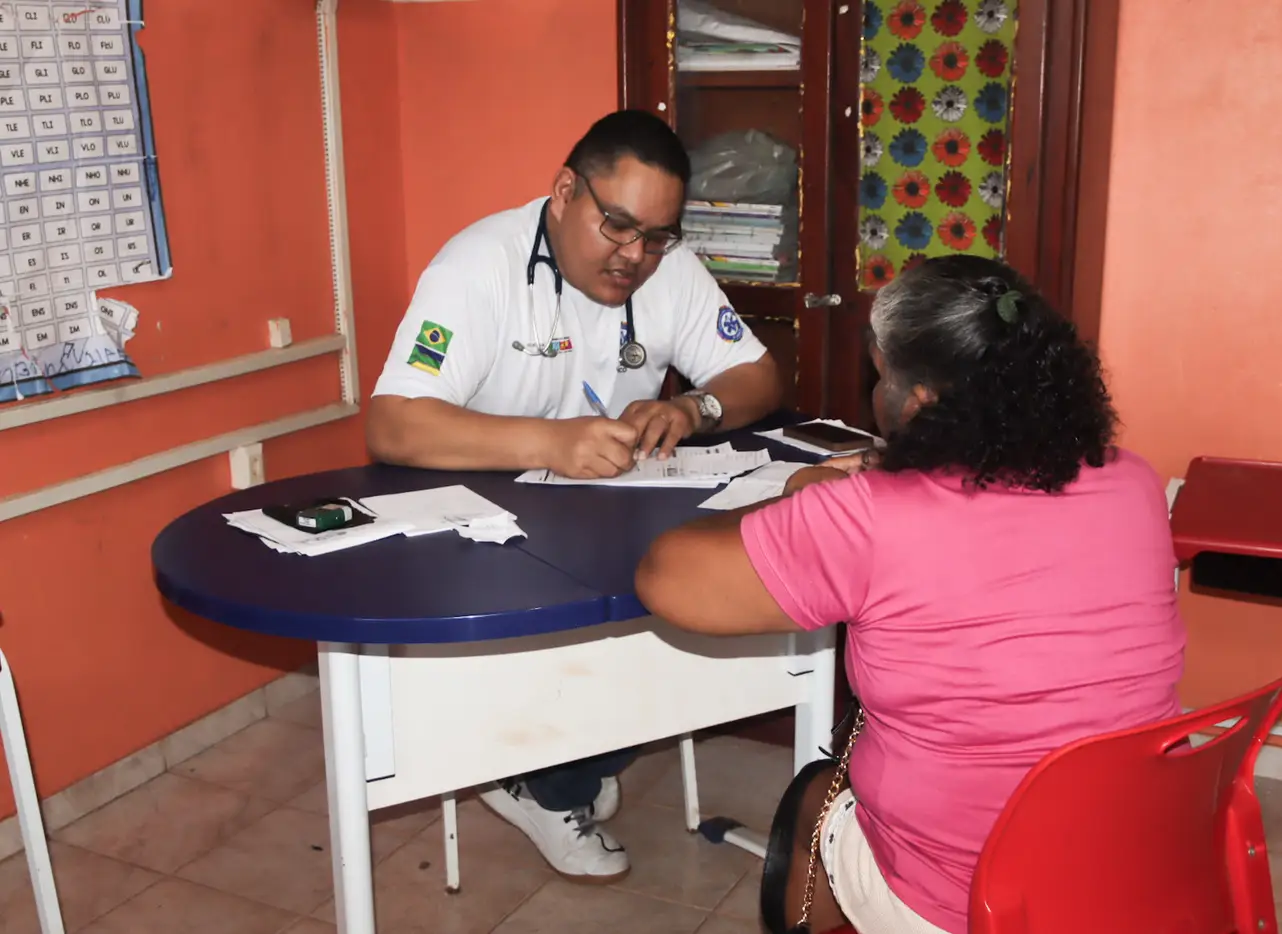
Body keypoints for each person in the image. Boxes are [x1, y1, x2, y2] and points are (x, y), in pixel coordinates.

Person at [635, 255, 1186, 934]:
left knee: (812, 799)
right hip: (1133, 870)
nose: (877, 392)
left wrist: (800, 498)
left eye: (882, 375)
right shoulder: (1133, 482)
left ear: (920, 403)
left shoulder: (873, 517)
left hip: (969, 903)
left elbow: (665, 577)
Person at [366, 109, 784, 883]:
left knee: (688, 594)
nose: (634, 257)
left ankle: (579, 756)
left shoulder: (666, 267)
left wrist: (695, 408)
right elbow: (392, 424)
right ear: (564, 193)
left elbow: (757, 375)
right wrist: (549, 442)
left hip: (604, 515)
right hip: (481, 530)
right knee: (597, 625)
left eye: (657, 237)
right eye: (617, 227)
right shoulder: (477, 267)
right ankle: (544, 780)